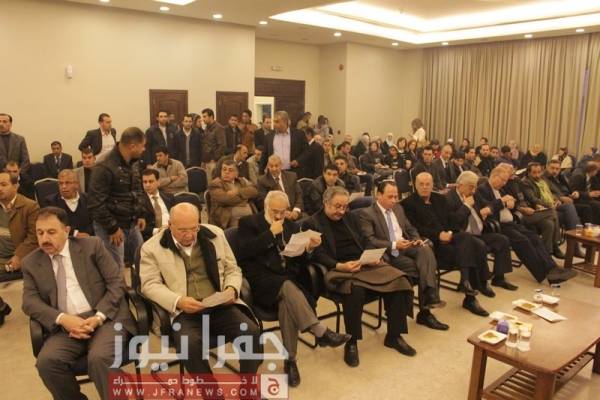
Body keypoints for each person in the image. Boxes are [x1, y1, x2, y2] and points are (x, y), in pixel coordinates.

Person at [139, 203, 262, 398]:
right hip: (184, 311)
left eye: (194, 228)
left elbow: (232, 268)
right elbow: (149, 285)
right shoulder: (151, 248)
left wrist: (231, 288)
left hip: (219, 304)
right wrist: (178, 300)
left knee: (252, 332)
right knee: (188, 345)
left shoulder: (215, 234)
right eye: (182, 230)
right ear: (170, 225)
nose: (189, 235)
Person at [21, 207, 136, 400]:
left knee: (99, 358)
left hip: (105, 319)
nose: (44, 239)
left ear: (66, 231)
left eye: (51, 232)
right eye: (40, 233)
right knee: (47, 362)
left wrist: (98, 317)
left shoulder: (92, 246)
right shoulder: (31, 263)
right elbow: (29, 301)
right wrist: (63, 319)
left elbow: (116, 282)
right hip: (66, 328)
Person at [237, 191, 350, 386]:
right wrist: (270, 234)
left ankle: (290, 360)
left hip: (287, 278)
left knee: (287, 303)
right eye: (275, 211)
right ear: (266, 207)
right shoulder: (249, 223)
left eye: (283, 212)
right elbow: (244, 252)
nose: (279, 216)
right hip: (261, 280)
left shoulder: (291, 225)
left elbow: (299, 259)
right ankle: (319, 331)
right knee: (287, 286)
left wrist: (309, 248)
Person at [304, 186, 416, 367]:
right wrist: (339, 265)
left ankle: (394, 336)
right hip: (338, 268)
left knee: (399, 279)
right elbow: (317, 255)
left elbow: (365, 241)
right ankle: (352, 342)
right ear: (325, 203)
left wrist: (372, 256)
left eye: (344, 206)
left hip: (362, 263)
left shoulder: (351, 217)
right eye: (337, 206)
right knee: (355, 291)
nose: (341, 211)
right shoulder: (312, 223)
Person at [359, 181, 449, 330]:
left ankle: (429, 299)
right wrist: (394, 244)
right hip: (389, 254)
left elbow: (410, 228)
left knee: (425, 248)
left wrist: (416, 239)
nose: (394, 200)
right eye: (390, 197)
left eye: (396, 196)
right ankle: (426, 309)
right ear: (378, 195)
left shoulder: (398, 208)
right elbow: (370, 240)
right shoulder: (367, 214)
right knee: (425, 269)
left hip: (406, 246)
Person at [402, 172, 491, 317]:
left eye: (427, 184)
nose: (424, 187)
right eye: (421, 184)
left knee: (467, 238)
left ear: (432, 185)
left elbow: (451, 221)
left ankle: (466, 284)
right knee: (470, 250)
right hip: (432, 245)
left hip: (449, 238)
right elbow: (415, 229)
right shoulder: (408, 204)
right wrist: (438, 235)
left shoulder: (440, 199)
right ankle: (469, 295)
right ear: (415, 185)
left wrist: (448, 233)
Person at [476, 166, 575, 284]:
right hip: (497, 225)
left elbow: (512, 204)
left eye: (506, 181)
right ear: (494, 176)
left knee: (534, 237)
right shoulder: (482, 189)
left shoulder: (500, 190)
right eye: (502, 180)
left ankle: (552, 268)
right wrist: (503, 202)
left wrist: (511, 204)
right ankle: (545, 273)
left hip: (510, 222)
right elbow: (486, 208)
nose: (504, 183)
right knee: (523, 241)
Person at [446, 171, 517, 291]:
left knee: (502, 240)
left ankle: (499, 278)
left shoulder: (473, 194)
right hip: (464, 236)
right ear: (460, 185)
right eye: (471, 187)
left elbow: (488, 204)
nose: (474, 190)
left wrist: (488, 208)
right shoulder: (449, 198)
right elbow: (453, 222)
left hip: (479, 232)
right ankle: (482, 282)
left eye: (475, 187)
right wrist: (466, 206)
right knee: (480, 245)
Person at [88, 127, 146, 269]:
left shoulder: (134, 162)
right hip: (111, 226)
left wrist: (140, 213)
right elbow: (96, 203)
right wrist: (112, 227)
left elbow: (137, 189)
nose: (144, 149)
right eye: (142, 146)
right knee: (115, 269)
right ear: (132, 146)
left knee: (143, 261)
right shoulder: (104, 165)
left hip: (131, 222)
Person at [501, 163, 562, 258]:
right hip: (519, 215)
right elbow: (507, 205)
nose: (513, 173)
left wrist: (535, 206)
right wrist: (522, 209)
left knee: (549, 224)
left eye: (513, 170)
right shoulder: (503, 185)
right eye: (510, 171)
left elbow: (527, 198)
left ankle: (546, 254)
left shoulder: (517, 181)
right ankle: (555, 245)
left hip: (530, 211)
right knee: (553, 211)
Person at [522, 162, 581, 255]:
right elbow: (533, 199)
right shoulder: (526, 182)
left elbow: (552, 193)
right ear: (529, 173)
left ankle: (547, 253)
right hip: (536, 211)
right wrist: (550, 204)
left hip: (547, 208)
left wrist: (556, 200)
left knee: (567, 209)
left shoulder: (542, 180)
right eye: (534, 172)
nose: (537, 175)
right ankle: (557, 245)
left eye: (539, 172)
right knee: (553, 216)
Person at [0, 171, 39, 277]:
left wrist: (19, 256)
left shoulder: (30, 207)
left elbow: (34, 237)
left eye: (3, 185)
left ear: (16, 186)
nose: (0, 188)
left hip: (19, 258)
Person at [207, 159, 257, 229]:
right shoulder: (215, 184)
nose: (226, 172)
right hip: (224, 217)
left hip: (243, 216)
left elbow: (254, 190)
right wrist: (245, 200)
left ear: (236, 173)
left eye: (230, 170)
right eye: (224, 169)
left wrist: (238, 191)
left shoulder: (241, 181)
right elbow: (226, 200)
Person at [545, 159, 594, 227]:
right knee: (571, 207)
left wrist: (573, 194)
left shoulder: (561, 177)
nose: (555, 171)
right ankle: (575, 231)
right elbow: (546, 193)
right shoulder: (544, 178)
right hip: (557, 202)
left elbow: (569, 189)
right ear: (547, 167)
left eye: (557, 169)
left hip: (569, 199)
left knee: (588, 207)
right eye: (552, 168)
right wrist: (560, 198)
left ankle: (588, 230)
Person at [260, 111, 308, 178]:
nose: (274, 124)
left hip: (293, 172)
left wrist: (298, 161)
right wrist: (261, 172)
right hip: (275, 172)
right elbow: (264, 155)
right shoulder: (269, 136)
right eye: (274, 121)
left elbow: (307, 151)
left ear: (285, 121)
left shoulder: (299, 134)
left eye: (277, 122)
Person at [46, 169, 94, 237]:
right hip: (63, 239)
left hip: (88, 238)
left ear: (77, 184)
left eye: (67, 183)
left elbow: (94, 221)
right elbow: (53, 225)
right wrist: (74, 234)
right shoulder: (51, 202)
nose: (63, 186)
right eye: (61, 183)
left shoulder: (88, 199)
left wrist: (88, 234)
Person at [257, 155, 303, 220]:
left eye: (276, 166)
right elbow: (263, 202)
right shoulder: (262, 181)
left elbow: (299, 195)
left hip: (294, 212)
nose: (274, 169)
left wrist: (296, 211)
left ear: (281, 165)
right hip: (276, 215)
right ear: (268, 166)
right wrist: (282, 212)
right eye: (271, 166)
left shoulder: (292, 176)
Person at [139, 168, 175, 241]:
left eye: (151, 181)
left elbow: (176, 216)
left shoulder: (169, 197)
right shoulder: (139, 201)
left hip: (172, 233)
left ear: (158, 182)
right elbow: (140, 227)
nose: (147, 185)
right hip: (153, 237)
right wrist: (157, 231)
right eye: (145, 182)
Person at [569, 160, 600, 224]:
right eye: (596, 171)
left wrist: (595, 192)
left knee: (596, 203)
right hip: (578, 200)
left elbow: (596, 187)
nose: (597, 172)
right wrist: (588, 194)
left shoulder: (591, 177)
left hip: (586, 198)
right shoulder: (579, 176)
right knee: (596, 205)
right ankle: (593, 226)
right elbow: (574, 192)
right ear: (593, 171)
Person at [201, 108, 226, 181]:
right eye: (203, 117)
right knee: (206, 182)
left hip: (213, 161)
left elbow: (222, 145)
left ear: (211, 117)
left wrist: (214, 158)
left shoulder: (219, 128)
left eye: (204, 117)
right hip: (205, 160)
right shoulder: (207, 127)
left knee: (212, 182)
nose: (203, 119)